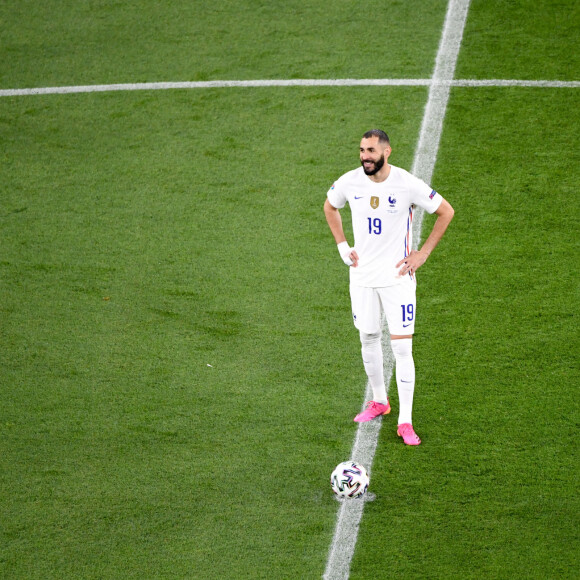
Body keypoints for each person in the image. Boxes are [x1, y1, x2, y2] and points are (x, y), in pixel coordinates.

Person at [324, 129, 454, 445]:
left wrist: (422, 253)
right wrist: (342, 246)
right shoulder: (349, 182)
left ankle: (405, 422)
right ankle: (380, 401)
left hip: (397, 278)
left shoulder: (407, 184)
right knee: (368, 337)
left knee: (401, 347)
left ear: (387, 151)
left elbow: (445, 211)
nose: (364, 156)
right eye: (361, 150)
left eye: (370, 150)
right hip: (362, 278)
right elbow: (330, 206)